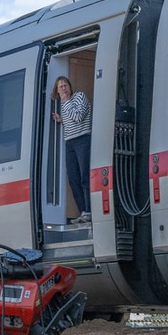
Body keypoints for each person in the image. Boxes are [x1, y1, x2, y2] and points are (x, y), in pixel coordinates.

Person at [52, 76, 92, 224]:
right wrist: (61, 120)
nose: (63, 88)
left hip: (83, 140)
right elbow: (71, 120)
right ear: (57, 91)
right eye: (60, 86)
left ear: (70, 86)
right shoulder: (63, 104)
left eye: (65, 85)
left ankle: (89, 210)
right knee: (73, 178)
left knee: (84, 176)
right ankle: (83, 211)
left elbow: (78, 117)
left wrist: (66, 101)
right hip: (69, 142)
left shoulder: (78, 97)